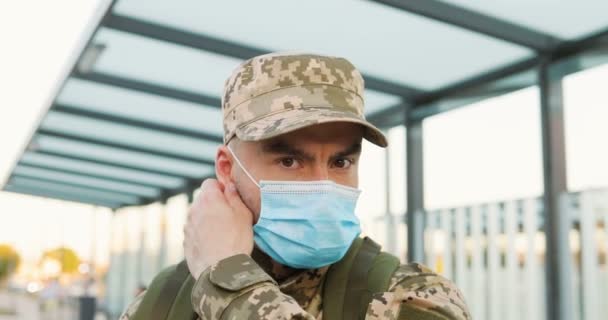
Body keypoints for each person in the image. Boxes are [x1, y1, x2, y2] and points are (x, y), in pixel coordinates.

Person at [120, 53, 471, 320]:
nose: (322, 187)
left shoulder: (410, 293)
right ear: (228, 169)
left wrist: (229, 284)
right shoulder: (164, 302)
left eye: (341, 162)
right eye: (289, 161)